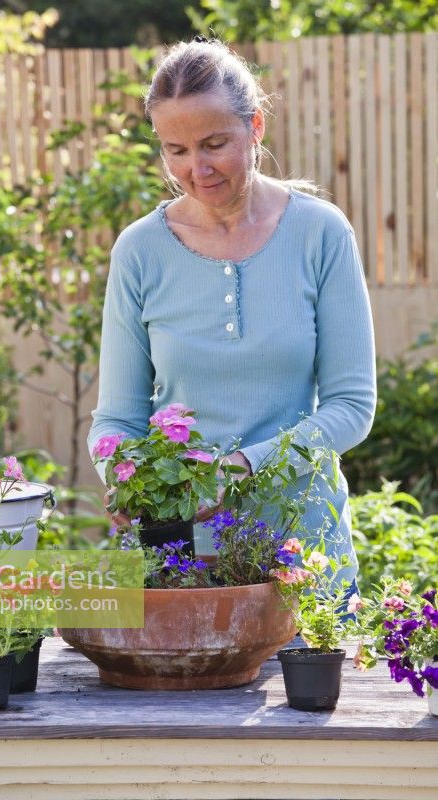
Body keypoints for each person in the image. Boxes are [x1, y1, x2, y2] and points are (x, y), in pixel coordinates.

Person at [87, 36, 376, 587]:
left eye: (215, 143)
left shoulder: (321, 233)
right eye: (176, 150)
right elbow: (115, 420)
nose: (197, 169)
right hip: (179, 558)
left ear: (256, 126)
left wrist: (240, 467)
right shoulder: (140, 249)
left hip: (304, 552)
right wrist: (123, 474)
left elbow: (351, 407)